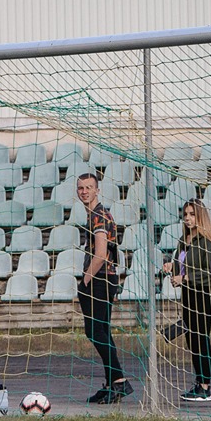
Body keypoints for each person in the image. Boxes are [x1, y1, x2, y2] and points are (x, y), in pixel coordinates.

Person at [76, 172, 133, 404]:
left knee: (96, 332)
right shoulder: (97, 214)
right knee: (101, 332)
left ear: (97, 190)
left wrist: (85, 280)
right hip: (105, 279)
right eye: (81, 188)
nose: (84, 191)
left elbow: (100, 254)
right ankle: (112, 384)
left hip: (99, 280)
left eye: (89, 187)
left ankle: (118, 381)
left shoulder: (99, 216)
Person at [162, 198, 211, 402]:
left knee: (200, 339)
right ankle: (199, 382)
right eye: (185, 214)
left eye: (192, 214)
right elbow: (182, 267)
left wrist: (185, 278)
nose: (188, 218)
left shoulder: (208, 242)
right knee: (192, 340)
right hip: (187, 295)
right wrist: (172, 268)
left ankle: (205, 386)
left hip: (203, 294)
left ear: (200, 216)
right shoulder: (183, 240)